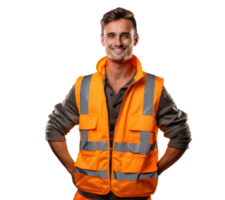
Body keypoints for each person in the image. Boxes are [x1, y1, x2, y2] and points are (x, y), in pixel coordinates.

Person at [44, 5, 193, 200]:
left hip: (136, 196)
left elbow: (181, 136)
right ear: (102, 40)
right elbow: (54, 129)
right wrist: (74, 172)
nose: (118, 42)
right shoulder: (83, 86)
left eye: (125, 35)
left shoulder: (154, 87)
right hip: (88, 195)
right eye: (111, 35)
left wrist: (154, 172)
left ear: (136, 39)